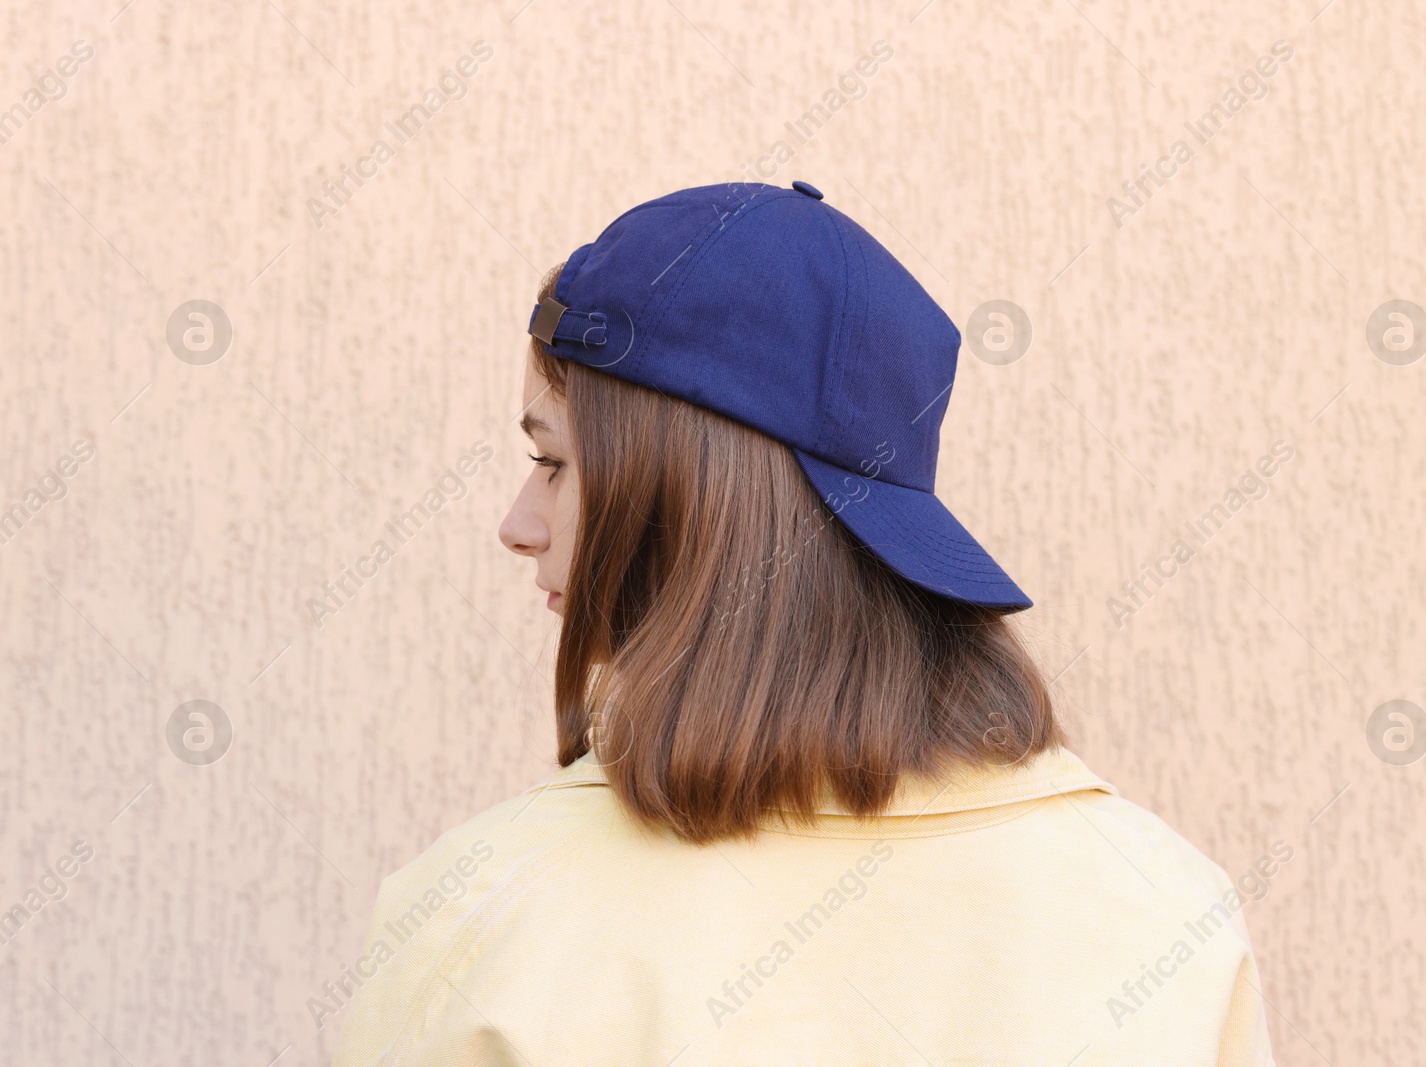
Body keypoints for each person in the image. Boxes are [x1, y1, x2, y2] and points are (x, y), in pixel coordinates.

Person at [330, 181, 1276, 1066]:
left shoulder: (479, 916)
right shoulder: (1165, 912)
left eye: (555, 464)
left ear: (690, 496)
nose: (517, 522)